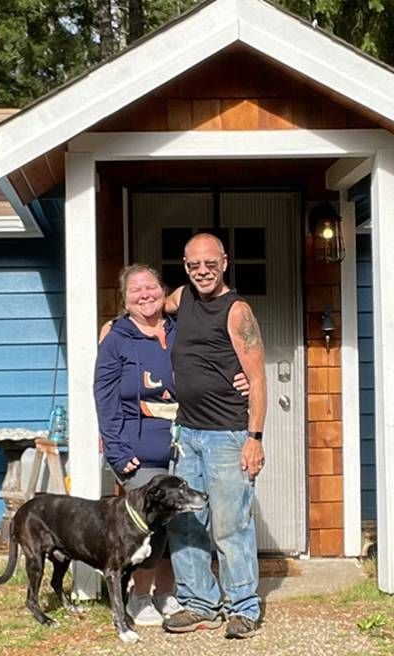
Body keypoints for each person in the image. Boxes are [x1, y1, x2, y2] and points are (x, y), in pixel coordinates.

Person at [93, 264, 249, 627]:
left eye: (151, 287)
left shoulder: (180, 331)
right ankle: (138, 595)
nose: (145, 295)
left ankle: (169, 593)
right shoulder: (117, 337)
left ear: (164, 292)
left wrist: (240, 378)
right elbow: (104, 396)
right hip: (137, 448)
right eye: (136, 290)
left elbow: (212, 364)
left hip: (187, 440)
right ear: (125, 299)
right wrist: (117, 450)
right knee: (151, 524)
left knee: (181, 521)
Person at [161, 232, 267, 640]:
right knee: (185, 522)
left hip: (227, 436)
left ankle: (243, 607)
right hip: (187, 434)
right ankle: (198, 603)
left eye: (210, 264)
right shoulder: (182, 298)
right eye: (193, 265)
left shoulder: (237, 310)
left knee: (229, 525)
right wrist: (112, 327)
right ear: (185, 267)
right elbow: (152, 307)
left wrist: (254, 437)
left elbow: (257, 379)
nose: (202, 272)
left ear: (224, 263)